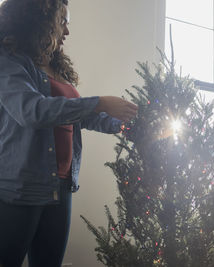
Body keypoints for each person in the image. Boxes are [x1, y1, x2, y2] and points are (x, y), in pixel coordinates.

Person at [0, 0, 139, 266]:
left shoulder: (56, 66)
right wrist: (99, 101)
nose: (67, 31)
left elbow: (77, 115)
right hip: (22, 187)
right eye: (62, 22)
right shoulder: (9, 60)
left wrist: (124, 125)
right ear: (40, 21)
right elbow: (32, 111)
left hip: (61, 187)